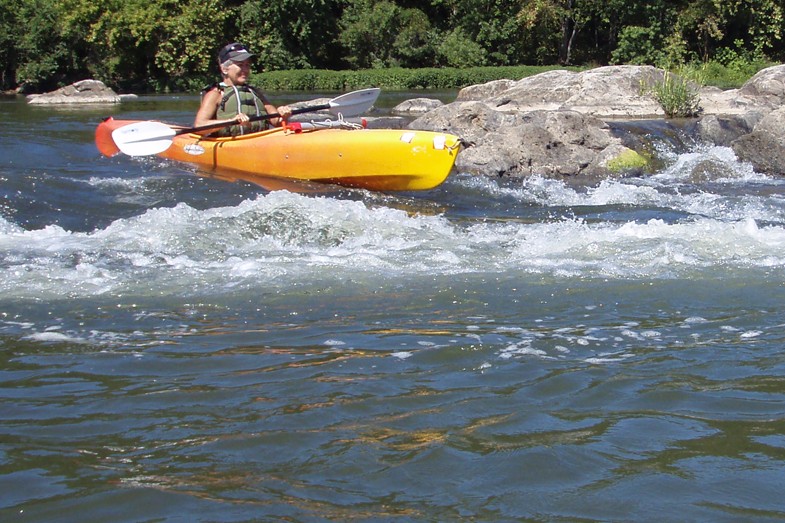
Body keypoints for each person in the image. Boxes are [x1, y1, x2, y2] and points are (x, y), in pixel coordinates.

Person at [194, 42, 292, 136]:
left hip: (259, 141)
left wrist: (283, 115)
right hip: (230, 144)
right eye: (240, 65)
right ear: (224, 69)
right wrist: (232, 121)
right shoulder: (216, 94)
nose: (245, 70)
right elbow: (199, 125)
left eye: (247, 65)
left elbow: (277, 122)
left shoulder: (255, 93)